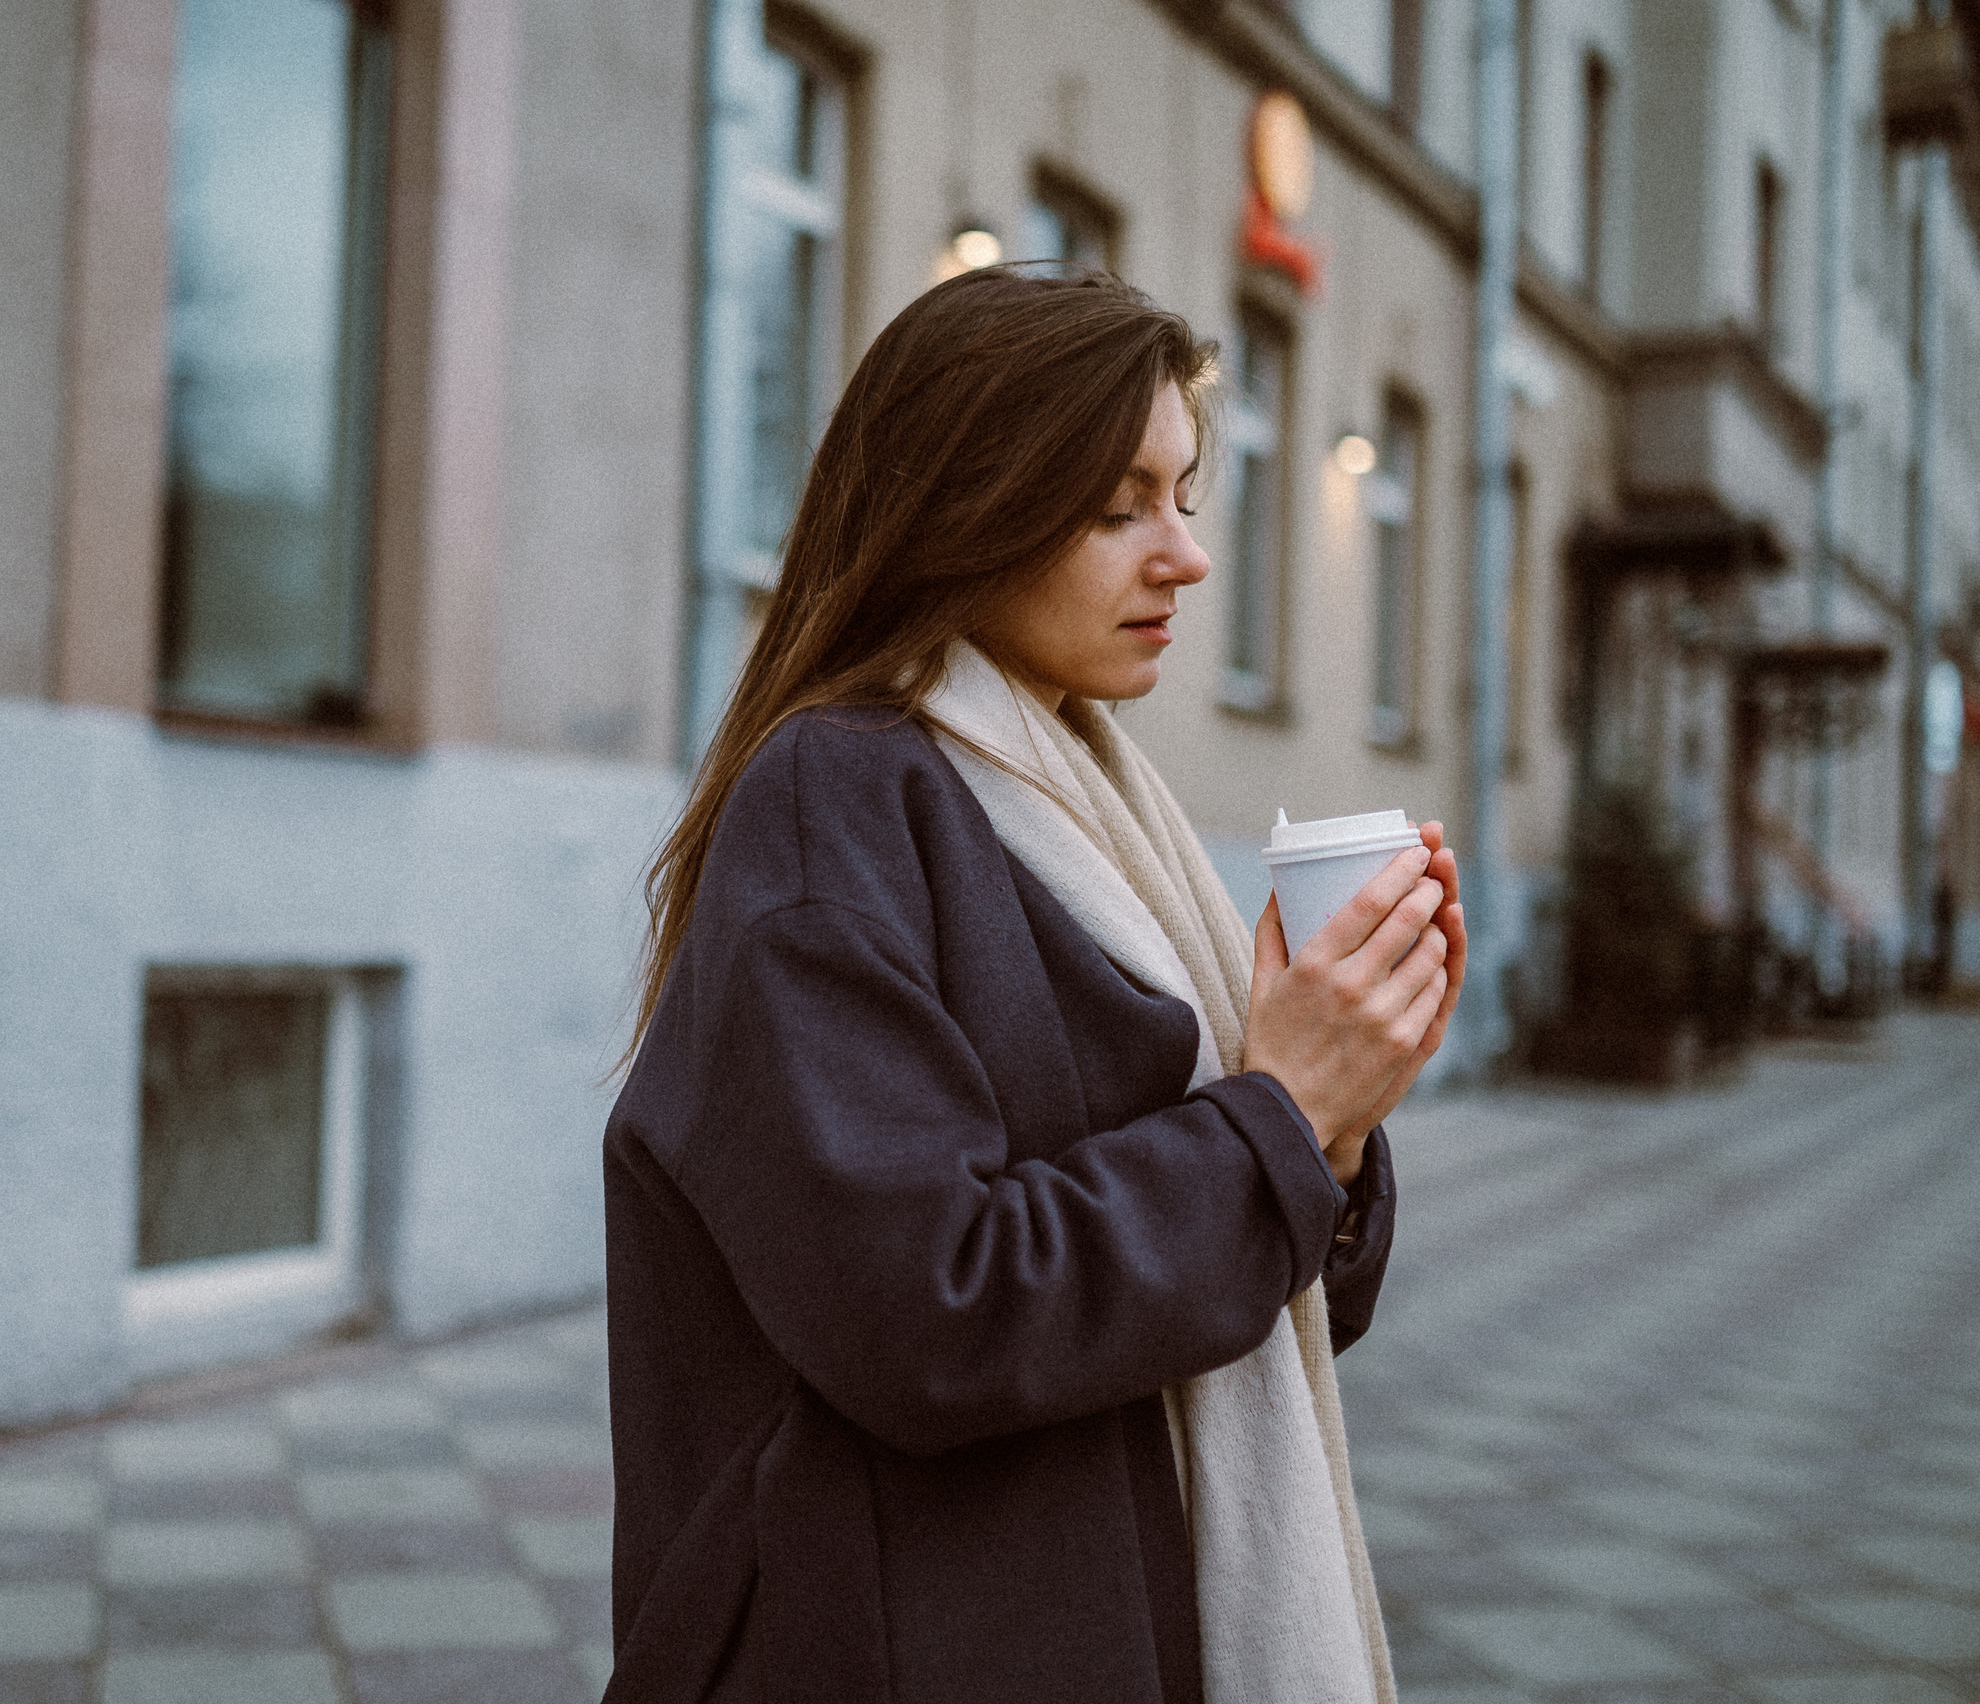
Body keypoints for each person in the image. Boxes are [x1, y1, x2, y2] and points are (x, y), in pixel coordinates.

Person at [601, 266, 1466, 1704]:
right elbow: (927, 1312)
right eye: (1117, 506)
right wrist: (1279, 1110)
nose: (1185, 557)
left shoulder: (1082, 800)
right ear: (961, 507)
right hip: (897, 1641)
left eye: (1187, 498)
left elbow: (1236, 1286)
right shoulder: (845, 796)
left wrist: (1339, 1117)